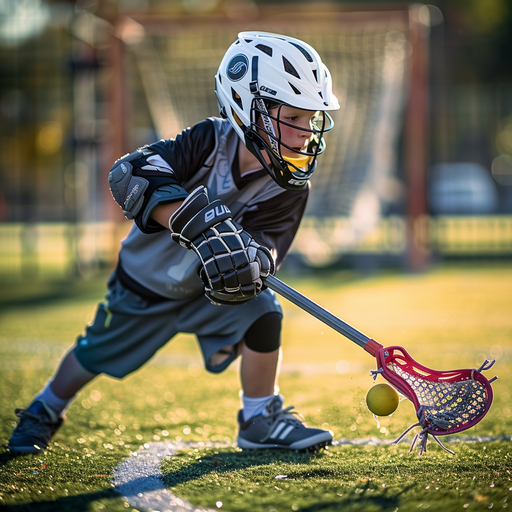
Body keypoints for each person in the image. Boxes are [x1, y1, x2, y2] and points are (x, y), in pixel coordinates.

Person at [8, 31, 340, 454]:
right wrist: (197, 224)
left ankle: (258, 417)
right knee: (94, 354)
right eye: (295, 116)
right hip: (147, 284)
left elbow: (270, 246)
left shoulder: (290, 187)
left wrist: (254, 260)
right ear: (248, 108)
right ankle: (45, 408)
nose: (305, 132)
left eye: (311, 119)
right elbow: (130, 173)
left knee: (263, 312)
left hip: (207, 292)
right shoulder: (207, 142)